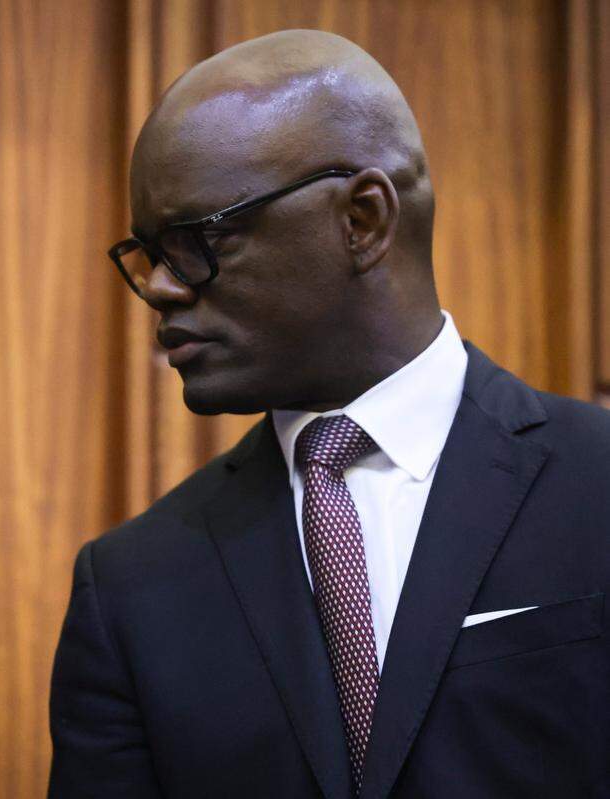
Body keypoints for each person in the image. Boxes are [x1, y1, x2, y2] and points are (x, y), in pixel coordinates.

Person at [48, 30, 608, 799]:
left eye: (198, 240)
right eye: (147, 252)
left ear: (364, 220)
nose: (162, 287)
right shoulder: (129, 588)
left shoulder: (598, 482)